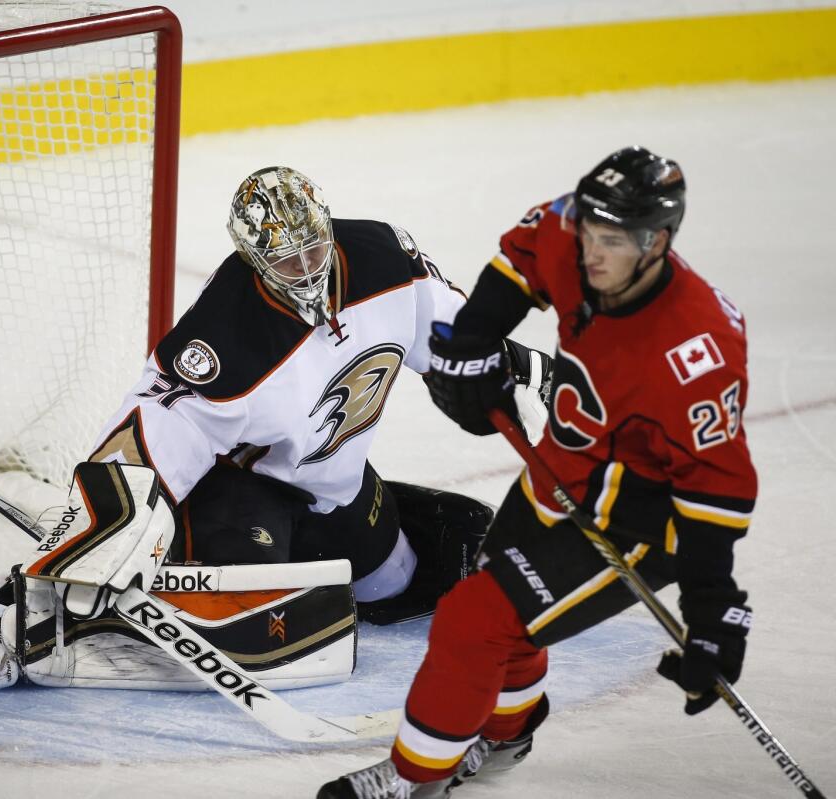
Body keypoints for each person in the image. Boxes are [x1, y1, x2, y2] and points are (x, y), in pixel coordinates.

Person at [0, 166, 552, 692]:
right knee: (253, 609)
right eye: (284, 259)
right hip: (242, 493)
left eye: (313, 246)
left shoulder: (384, 258)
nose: (307, 268)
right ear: (252, 257)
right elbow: (146, 440)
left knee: (411, 580)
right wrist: (90, 537)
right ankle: (69, 617)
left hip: (337, 483)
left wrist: (531, 368)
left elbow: (453, 335)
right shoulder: (225, 337)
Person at [320, 145, 758, 798]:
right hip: (561, 474)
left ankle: (416, 779)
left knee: (474, 616)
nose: (590, 254)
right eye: (587, 231)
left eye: (610, 241)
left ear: (657, 241)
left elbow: (713, 492)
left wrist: (715, 611)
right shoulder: (580, 231)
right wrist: (471, 343)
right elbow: (519, 262)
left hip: (638, 518)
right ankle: (507, 732)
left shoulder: (697, 353)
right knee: (509, 614)